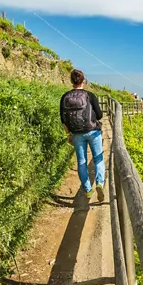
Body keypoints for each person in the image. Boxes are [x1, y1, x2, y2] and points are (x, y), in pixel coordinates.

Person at [60, 69, 105, 201]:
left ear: (71, 81)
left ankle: (87, 190)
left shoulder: (65, 97)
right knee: (98, 158)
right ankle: (100, 183)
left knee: (81, 162)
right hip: (93, 131)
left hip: (77, 134)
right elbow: (100, 115)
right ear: (83, 81)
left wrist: (69, 135)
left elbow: (63, 120)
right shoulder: (89, 95)